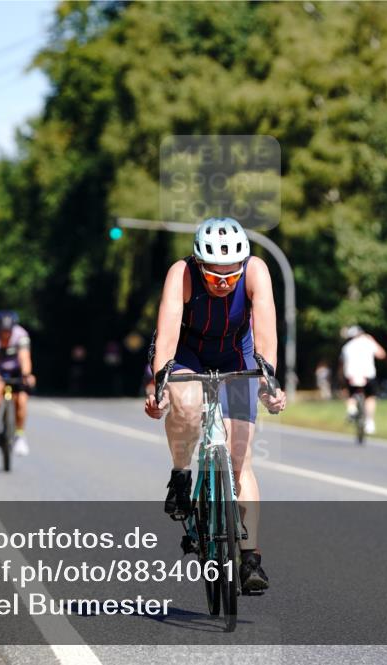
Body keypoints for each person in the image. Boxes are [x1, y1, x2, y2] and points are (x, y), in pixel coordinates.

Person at [145, 217, 287, 594]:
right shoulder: (182, 274)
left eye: (230, 274)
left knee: (240, 457)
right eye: (214, 274)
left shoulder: (257, 270)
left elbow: (267, 334)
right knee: (187, 408)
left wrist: (270, 382)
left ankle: (251, 558)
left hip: (236, 356)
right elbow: (169, 332)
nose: (223, 282)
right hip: (188, 354)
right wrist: (161, 384)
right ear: (198, 264)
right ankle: (180, 474)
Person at [0, 310, 35, 456]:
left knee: (22, 402)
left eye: (8, 331)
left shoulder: (21, 334)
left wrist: (26, 374)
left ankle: (19, 435)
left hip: (17, 370)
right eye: (3, 331)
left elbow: (25, 357)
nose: (5, 334)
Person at [340, 325, 387, 434]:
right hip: (368, 375)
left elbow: (341, 364)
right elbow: (381, 354)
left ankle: (351, 409)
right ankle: (370, 422)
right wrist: (372, 340)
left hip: (351, 376)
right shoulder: (368, 342)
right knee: (370, 397)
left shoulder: (346, 347)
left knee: (349, 393)